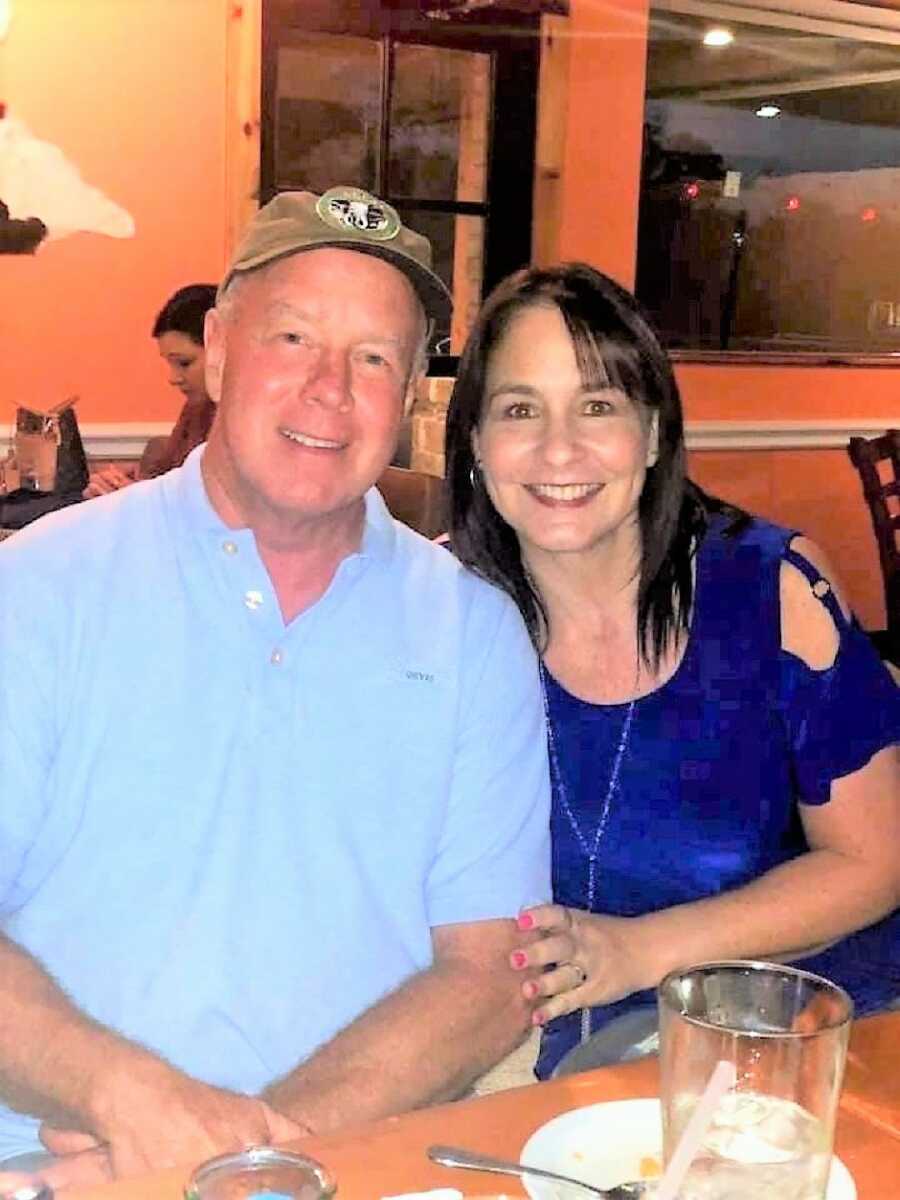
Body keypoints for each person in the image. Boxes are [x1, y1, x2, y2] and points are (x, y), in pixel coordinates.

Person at [0, 187, 550, 1187]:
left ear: (412, 393)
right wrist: (127, 1100)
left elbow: (489, 975)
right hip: (59, 1161)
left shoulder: (474, 632)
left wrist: (249, 1158)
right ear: (216, 350)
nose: (329, 389)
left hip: (348, 1157)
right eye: (292, 336)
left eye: (376, 356)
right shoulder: (35, 588)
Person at [444, 261, 900, 1080]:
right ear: (474, 441)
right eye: (519, 409)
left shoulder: (771, 590)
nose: (559, 448)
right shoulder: (434, 616)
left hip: (801, 1023)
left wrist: (636, 950)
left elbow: (877, 860)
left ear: (652, 433)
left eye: (598, 406)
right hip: (559, 1059)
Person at [83, 284, 218, 498]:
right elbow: (166, 481)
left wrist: (134, 496)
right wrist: (126, 484)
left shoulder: (246, 425)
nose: (173, 379)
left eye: (184, 363)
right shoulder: (196, 409)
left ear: (221, 348)